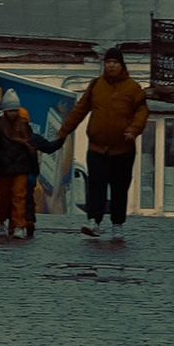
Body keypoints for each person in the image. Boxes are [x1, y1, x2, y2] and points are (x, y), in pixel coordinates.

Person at [58, 47, 149, 238]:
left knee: (119, 187)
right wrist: (63, 131)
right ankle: (94, 221)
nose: (111, 66)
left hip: (123, 148)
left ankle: (117, 224)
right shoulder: (96, 86)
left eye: (115, 62)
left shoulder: (132, 88)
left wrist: (133, 130)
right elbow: (80, 110)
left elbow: (142, 112)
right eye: (108, 62)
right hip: (97, 147)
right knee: (96, 185)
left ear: (122, 65)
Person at [0, 97, 45, 240]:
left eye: (15, 110)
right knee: (4, 198)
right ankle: (0, 222)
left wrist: (58, 141)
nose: (13, 113)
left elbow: (40, 143)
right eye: (10, 110)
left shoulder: (25, 128)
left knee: (19, 196)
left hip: (21, 169)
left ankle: (19, 225)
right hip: (4, 168)